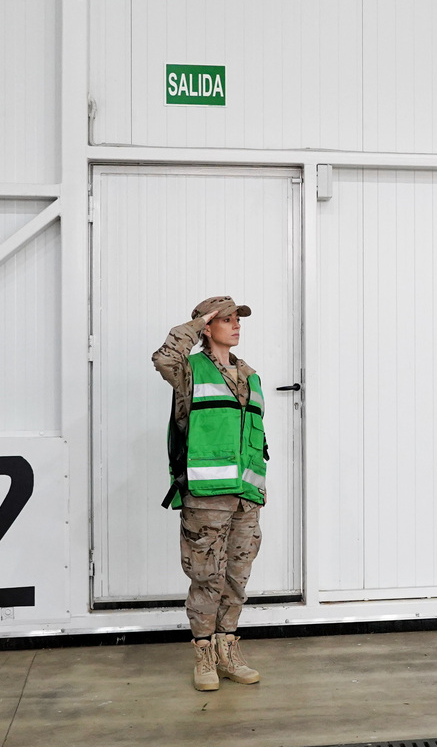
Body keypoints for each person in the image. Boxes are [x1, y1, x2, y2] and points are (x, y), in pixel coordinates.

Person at [152, 295, 268, 691]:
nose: (236, 326)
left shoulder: (250, 375)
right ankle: (203, 654)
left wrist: (257, 492)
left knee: (237, 578)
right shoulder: (190, 370)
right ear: (208, 327)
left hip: (245, 496)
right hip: (205, 496)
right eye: (227, 320)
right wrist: (197, 321)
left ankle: (228, 650)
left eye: (239, 320)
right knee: (206, 578)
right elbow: (163, 357)